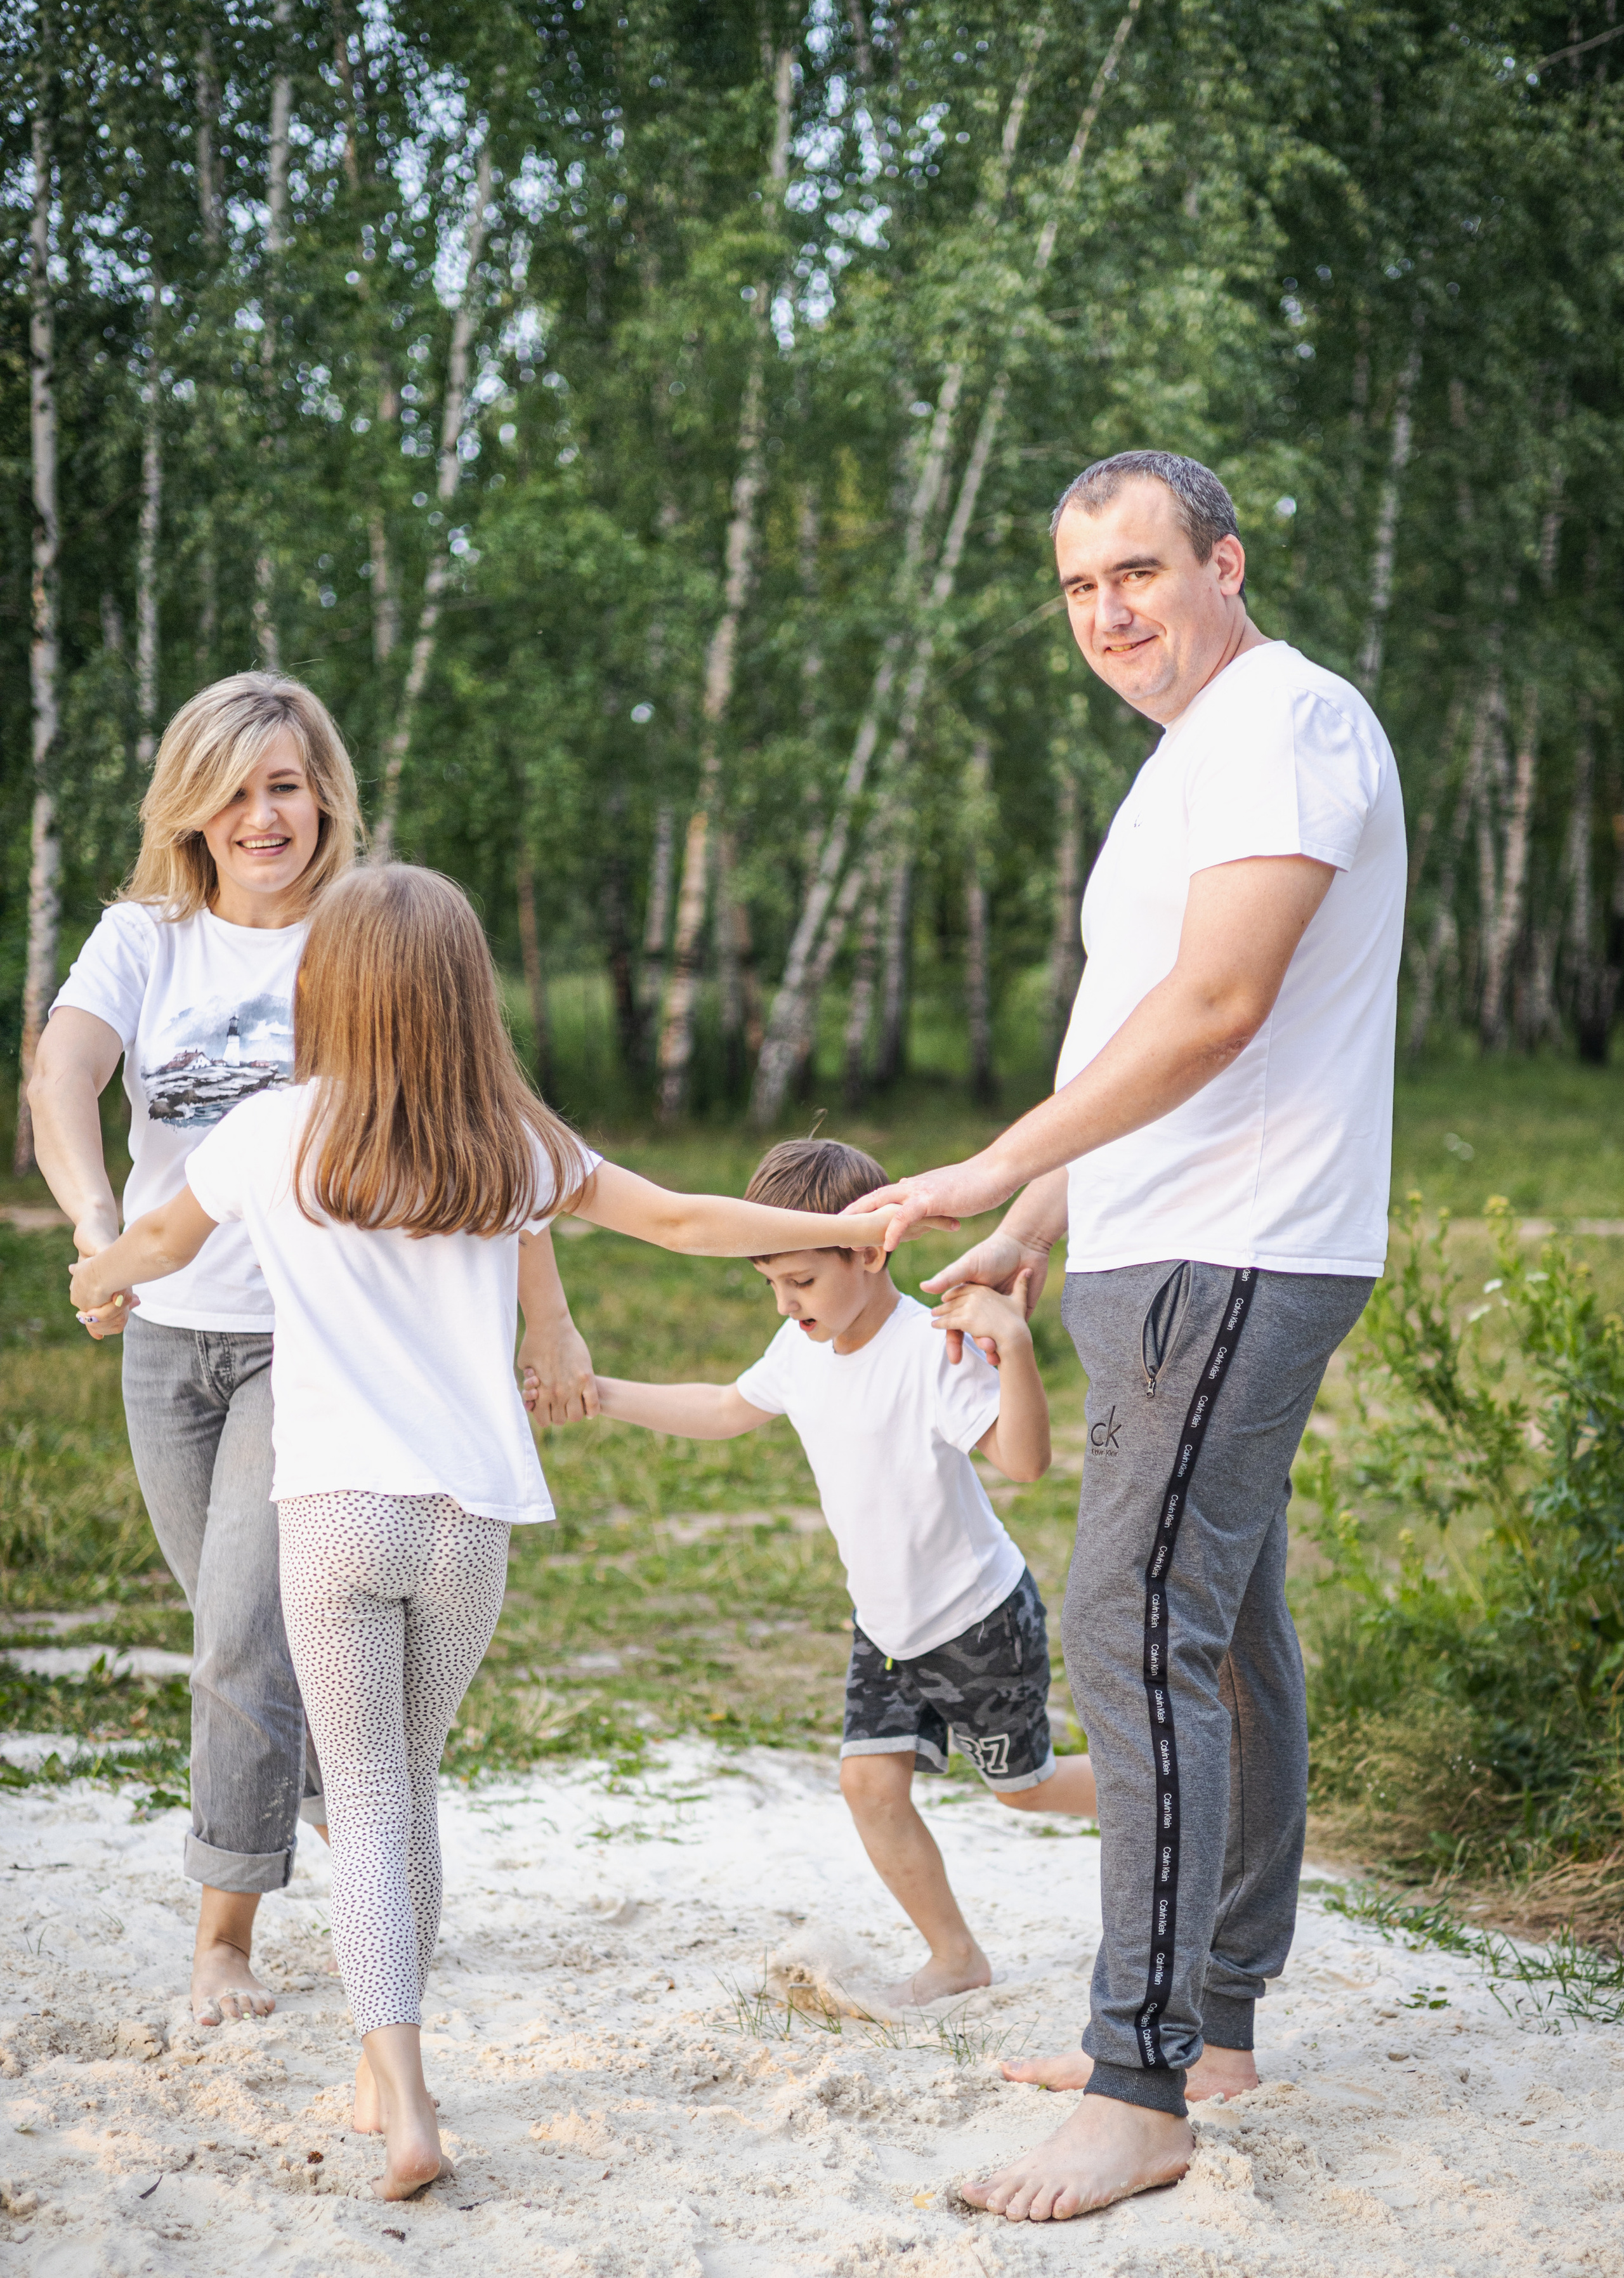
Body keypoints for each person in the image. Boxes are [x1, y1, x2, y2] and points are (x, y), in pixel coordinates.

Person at [68, 867, 929, 2199]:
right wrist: (843, 1222)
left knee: (359, 1789)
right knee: (405, 1783)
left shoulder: (268, 1135)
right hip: (469, 1523)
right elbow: (685, 1221)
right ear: (467, 993)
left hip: (335, 1512)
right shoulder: (510, 1144)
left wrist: (99, 1270)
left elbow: (162, 1242)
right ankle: (378, 2073)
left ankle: (403, 2087)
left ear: (327, 988)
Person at [870, 452, 1405, 2220]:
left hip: (1238, 1254)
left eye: (1139, 572)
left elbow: (1222, 1005)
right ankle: (1217, 2024)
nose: (1109, 611)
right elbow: (1139, 1039)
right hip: (1163, 1246)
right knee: (1228, 1630)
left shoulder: (1288, 724)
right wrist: (1030, 1230)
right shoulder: (1197, 758)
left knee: (1129, 1619)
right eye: (1079, 587)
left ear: (1223, 562)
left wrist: (990, 1163)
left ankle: (1143, 2085)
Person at [26, 674, 594, 2028]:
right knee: (255, 1634)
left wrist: (549, 1308)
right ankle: (371, 1825)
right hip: (170, 1337)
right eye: (231, 788)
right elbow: (61, 1075)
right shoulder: (143, 937)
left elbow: (482, 1114)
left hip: (320, 1341)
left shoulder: (371, 927)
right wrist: (100, 1227)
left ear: (325, 788)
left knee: (240, 1628)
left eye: (283, 782)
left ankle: (224, 1931)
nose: (260, 812)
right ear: (191, 807)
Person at [580, 1136, 1097, 2009]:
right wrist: (599, 1392)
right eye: (771, 1284)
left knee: (1028, 1789)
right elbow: (720, 1408)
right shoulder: (800, 1350)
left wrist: (1013, 1344)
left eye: (803, 1281)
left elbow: (1026, 1461)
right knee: (868, 1786)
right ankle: (956, 1955)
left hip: (976, 1618)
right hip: (886, 1626)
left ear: (869, 1251)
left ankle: (1174, 1790)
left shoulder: (931, 1348)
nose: (786, 1304)